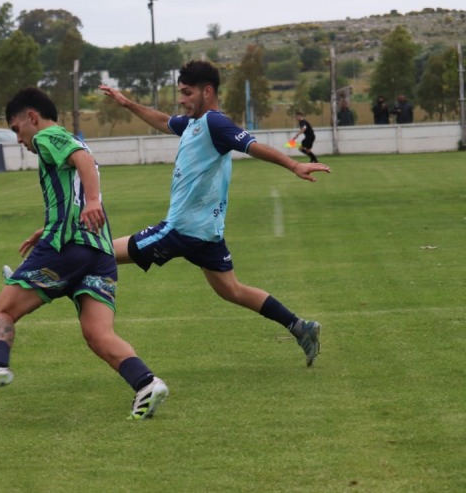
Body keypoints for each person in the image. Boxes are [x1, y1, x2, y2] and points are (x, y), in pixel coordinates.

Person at [0, 87, 168, 420]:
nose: (19, 139)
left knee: (2, 312)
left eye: (16, 129)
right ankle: (146, 383)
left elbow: (83, 162)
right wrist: (53, 221)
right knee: (98, 334)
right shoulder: (67, 139)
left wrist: (93, 203)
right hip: (99, 253)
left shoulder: (47, 136)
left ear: (32, 118)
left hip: (66, 248)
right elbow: (78, 181)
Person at [98, 60, 330, 367]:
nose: (181, 99)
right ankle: (300, 327)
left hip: (180, 230)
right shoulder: (194, 123)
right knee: (231, 290)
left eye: (187, 92)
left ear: (207, 92)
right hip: (207, 232)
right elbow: (163, 121)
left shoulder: (215, 124)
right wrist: (127, 103)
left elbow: (253, 145)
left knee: (99, 251)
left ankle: (37, 280)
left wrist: (293, 164)